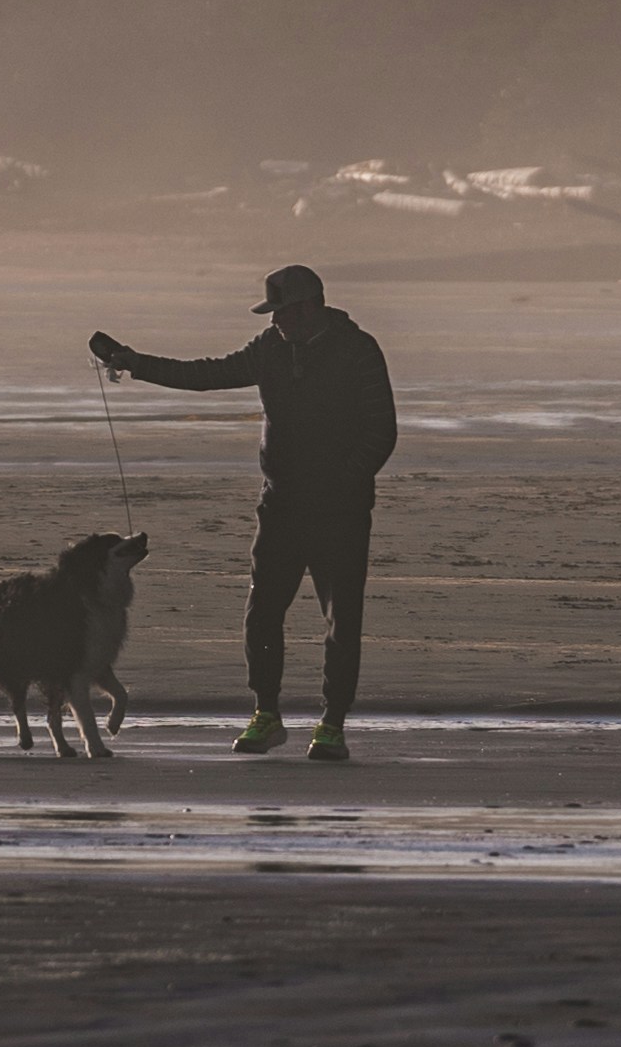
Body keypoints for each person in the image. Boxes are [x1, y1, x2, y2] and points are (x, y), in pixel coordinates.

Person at [89, 264, 396, 763]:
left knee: (342, 620)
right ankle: (267, 715)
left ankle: (333, 724)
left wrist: (343, 480)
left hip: (341, 511)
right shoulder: (270, 349)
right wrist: (135, 362)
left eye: (282, 314)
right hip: (281, 506)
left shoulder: (358, 350)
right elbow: (207, 374)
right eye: (273, 315)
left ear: (310, 306)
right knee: (262, 613)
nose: (277, 323)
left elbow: (382, 431)